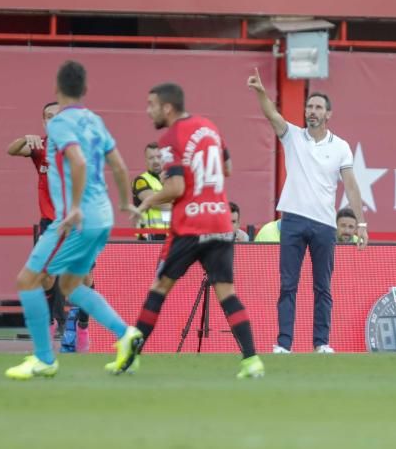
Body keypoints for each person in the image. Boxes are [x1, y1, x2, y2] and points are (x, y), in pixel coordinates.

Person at [5, 61, 142, 380]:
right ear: (86, 90)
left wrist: (75, 207)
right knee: (69, 284)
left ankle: (44, 358)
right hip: (103, 216)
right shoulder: (95, 121)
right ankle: (125, 335)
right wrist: (125, 203)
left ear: (57, 88)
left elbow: (77, 161)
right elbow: (120, 167)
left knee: (27, 280)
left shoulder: (58, 124)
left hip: (75, 218)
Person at [123, 82, 264, 379]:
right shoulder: (209, 127)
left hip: (191, 225)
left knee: (159, 288)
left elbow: (176, 187)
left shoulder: (171, 137)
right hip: (221, 221)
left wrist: (147, 200)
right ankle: (252, 361)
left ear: (167, 108)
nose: (148, 111)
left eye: (151, 105)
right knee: (227, 293)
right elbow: (227, 168)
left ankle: (131, 358)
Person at [246, 68, 369, 354]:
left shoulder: (340, 147)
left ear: (328, 114)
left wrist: (361, 225)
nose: (312, 111)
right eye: (309, 106)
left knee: (322, 288)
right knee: (288, 285)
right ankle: (284, 344)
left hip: (325, 225)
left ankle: (321, 343)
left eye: (318, 107)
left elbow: (351, 186)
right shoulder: (293, 136)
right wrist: (261, 91)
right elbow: (271, 115)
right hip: (292, 221)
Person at [6, 102, 65, 337]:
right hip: (50, 222)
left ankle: (81, 328)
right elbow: (11, 150)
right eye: (49, 117)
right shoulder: (40, 146)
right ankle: (51, 323)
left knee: (83, 277)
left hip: (77, 221)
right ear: (44, 122)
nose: (54, 120)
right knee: (46, 275)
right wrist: (25, 138)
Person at [132, 142, 170, 241]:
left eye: (158, 157)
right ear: (146, 161)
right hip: (149, 238)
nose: (156, 161)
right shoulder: (141, 180)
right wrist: (178, 202)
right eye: (151, 158)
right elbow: (153, 202)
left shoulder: (173, 180)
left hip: (171, 237)